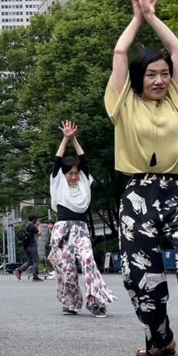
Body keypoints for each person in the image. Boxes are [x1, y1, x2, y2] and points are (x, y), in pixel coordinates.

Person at [107, 0, 178, 356]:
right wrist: (136, 20)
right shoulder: (123, 102)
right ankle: (159, 338)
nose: (159, 80)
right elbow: (120, 53)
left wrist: (153, 17)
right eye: (151, 74)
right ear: (139, 78)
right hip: (137, 193)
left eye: (164, 74)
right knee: (141, 272)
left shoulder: (177, 99)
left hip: (177, 190)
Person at [48, 121, 117, 318]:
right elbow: (57, 161)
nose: (73, 176)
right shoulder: (58, 183)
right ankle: (70, 303)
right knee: (67, 268)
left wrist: (74, 139)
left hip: (81, 229)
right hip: (63, 231)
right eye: (70, 173)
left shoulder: (84, 183)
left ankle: (95, 301)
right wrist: (65, 139)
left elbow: (84, 160)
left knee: (88, 260)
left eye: (76, 173)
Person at [15, 216, 43, 281]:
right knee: (36, 261)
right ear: (34, 220)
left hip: (26, 246)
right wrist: (39, 225)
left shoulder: (26, 226)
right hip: (32, 246)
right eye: (36, 220)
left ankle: (19, 270)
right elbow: (39, 233)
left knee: (30, 261)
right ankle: (35, 276)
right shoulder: (32, 227)